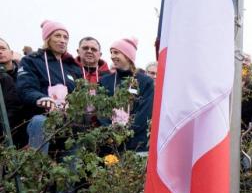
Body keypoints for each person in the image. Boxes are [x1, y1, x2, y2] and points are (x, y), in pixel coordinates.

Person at [16, 20, 83, 154]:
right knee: (40, 122)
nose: (62, 40)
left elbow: (80, 94)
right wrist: (41, 98)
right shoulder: (31, 61)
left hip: (67, 123)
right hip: (41, 118)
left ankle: (70, 174)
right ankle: (35, 170)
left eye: (65, 37)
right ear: (47, 38)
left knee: (78, 133)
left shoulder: (73, 66)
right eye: (57, 36)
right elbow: (25, 88)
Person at [98, 37, 154, 152]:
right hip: (109, 144)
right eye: (111, 53)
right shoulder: (104, 81)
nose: (112, 56)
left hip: (136, 144)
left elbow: (145, 113)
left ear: (127, 55)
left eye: (116, 52)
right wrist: (110, 132)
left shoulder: (145, 82)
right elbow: (100, 110)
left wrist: (126, 132)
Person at [0, 38, 32, 147]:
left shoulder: (27, 73)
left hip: (27, 132)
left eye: (3, 48)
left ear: (11, 53)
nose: (0, 51)